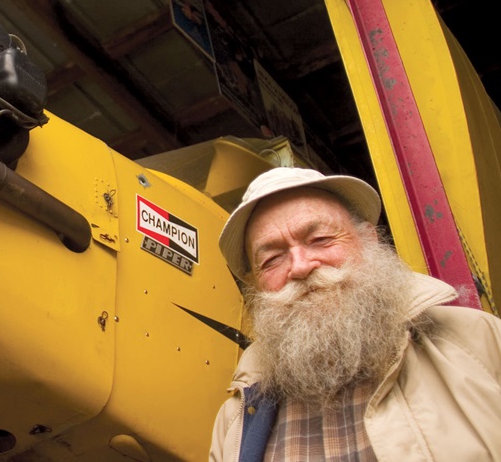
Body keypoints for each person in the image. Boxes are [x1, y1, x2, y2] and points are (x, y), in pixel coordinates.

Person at [209, 166, 501, 461]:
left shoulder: (482, 343)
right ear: (257, 284)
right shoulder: (233, 421)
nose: (300, 266)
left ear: (369, 240)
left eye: (321, 239)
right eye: (272, 259)